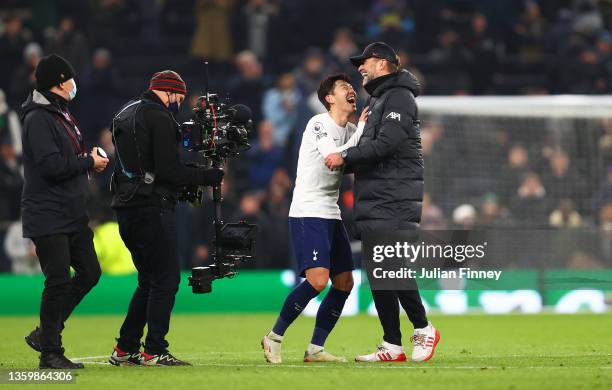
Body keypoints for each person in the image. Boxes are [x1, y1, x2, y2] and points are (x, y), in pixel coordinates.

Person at [325, 42, 440, 362]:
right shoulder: (378, 100)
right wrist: (345, 158)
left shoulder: (400, 96)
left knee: (393, 267)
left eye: (366, 61)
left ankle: (424, 328)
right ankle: (392, 344)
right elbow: (369, 145)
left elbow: (387, 144)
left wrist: (345, 157)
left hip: (395, 198)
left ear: (385, 63)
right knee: (379, 273)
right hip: (376, 198)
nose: (360, 66)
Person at [108, 70, 224, 367]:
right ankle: (154, 350)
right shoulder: (158, 117)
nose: (179, 104)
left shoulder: (126, 112)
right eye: (179, 97)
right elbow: (168, 170)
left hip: (126, 208)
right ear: (169, 92)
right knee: (166, 279)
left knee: (148, 280)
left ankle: (126, 348)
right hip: (152, 209)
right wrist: (205, 176)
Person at [261, 73, 367, 363]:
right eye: (344, 87)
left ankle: (315, 348)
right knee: (318, 280)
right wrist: (362, 132)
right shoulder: (319, 123)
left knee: (345, 283)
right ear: (329, 98)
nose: (352, 90)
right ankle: (274, 337)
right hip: (308, 210)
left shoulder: (350, 130)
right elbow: (332, 157)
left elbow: (357, 158)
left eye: (352, 86)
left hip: (330, 212)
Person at [20, 54, 109, 369]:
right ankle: (50, 352)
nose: (74, 83)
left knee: (89, 272)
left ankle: (45, 333)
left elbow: (64, 158)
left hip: (69, 210)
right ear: (59, 82)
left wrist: (88, 157)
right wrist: (88, 162)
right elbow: (51, 166)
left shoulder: (59, 113)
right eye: (70, 78)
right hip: (48, 212)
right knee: (57, 280)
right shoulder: (38, 119)